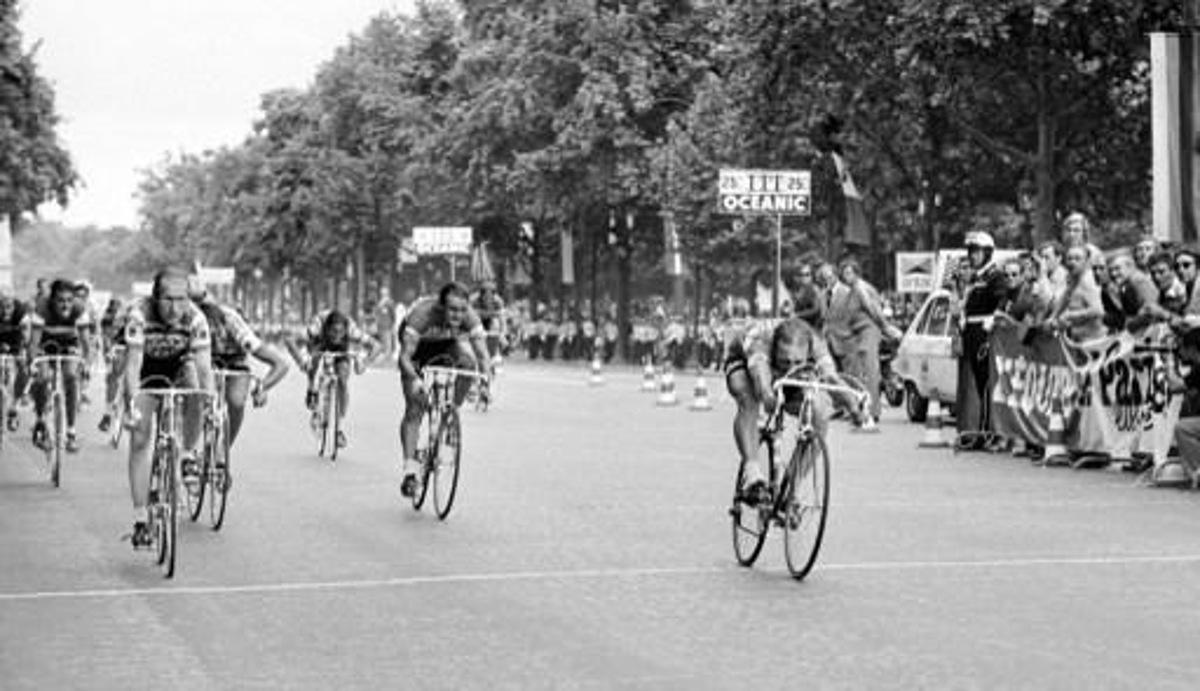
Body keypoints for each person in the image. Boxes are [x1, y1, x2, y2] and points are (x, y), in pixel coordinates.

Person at [725, 317, 864, 502]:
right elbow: (761, 376)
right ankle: (752, 473)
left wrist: (854, 408)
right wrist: (767, 395)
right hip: (745, 362)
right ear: (776, 349)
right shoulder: (762, 340)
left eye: (798, 361)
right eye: (785, 361)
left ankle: (791, 489)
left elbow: (831, 378)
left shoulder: (817, 343)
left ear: (808, 352)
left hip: (780, 371)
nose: (791, 367)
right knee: (748, 398)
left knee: (819, 414)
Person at [122, 269, 214, 548]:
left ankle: (186, 454)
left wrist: (209, 401)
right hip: (148, 372)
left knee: (196, 387)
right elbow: (133, 365)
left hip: (179, 367)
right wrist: (131, 406)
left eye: (182, 299)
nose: (175, 308)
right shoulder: (139, 315)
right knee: (139, 438)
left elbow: (204, 366)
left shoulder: (196, 318)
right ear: (155, 297)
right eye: (168, 300)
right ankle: (140, 520)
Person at [397, 282, 492, 497]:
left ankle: (449, 414)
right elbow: (404, 357)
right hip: (416, 350)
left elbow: (482, 354)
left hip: (445, 344)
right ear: (441, 308)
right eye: (452, 309)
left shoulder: (470, 317)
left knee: (467, 364)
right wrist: (414, 379)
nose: (458, 315)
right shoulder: (423, 315)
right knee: (415, 407)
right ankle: (410, 471)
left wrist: (486, 382)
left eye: (462, 309)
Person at [188, 275, 290, 449]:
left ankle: (223, 449)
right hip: (196, 362)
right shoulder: (177, 319)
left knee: (236, 401)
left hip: (232, 363)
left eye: (200, 304)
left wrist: (263, 386)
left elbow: (280, 363)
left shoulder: (230, 320)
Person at [826, 258, 900, 424]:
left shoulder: (860, 288)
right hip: (858, 334)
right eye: (844, 273)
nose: (846, 276)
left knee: (870, 371)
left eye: (849, 272)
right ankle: (863, 408)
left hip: (869, 331)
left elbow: (874, 310)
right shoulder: (851, 290)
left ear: (856, 273)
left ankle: (872, 411)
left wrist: (886, 327)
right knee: (861, 374)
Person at [956, 231, 1010, 449]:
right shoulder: (978, 277)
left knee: (987, 384)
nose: (972, 256)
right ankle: (982, 428)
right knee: (980, 384)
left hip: (984, 334)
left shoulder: (994, 276)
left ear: (988, 253)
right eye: (971, 251)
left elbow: (1003, 298)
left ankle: (989, 431)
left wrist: (993, 318)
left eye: (977, 251)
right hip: (971, 332)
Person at [295, 308, 377, 449]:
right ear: (327, 329)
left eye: (340, 332)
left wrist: (364, 362)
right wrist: (303, 359)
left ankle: (339, 429)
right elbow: (296, 341)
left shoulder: (352, 330)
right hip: (319, 344)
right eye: (333, 331)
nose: (337, 336)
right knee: (313, 361)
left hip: (341, 349)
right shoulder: (317, 326)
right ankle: (311, 388)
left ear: (346, 330)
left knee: (344, 381)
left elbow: (376, 346)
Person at [28, 279, 93, 453]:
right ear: (52, 300)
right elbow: (33, 342)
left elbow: (86, 344)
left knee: (71, 376)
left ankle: (71, 432)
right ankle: (40, 418)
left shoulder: (79, 308)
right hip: (45, 343)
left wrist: (87, 365)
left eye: (69, 300)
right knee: (43, 377)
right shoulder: (41, 307)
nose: (65, 305)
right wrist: (33, 364)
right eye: (60, 300)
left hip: (69, 343)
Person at [1046, 244, 1105, 342]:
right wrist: (1053, 316)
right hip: (1077, 337)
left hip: (1094, 340)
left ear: (1086, 262)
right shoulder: (1073, 277)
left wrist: (1070, 315)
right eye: (1069, 259)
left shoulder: (1088, 281)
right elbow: (1065, 297)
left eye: (1077, 259)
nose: (1072, 262)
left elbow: (1098, 310)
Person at [0, 291, 31, 432]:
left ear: (13, 305)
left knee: (22, 368)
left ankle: (14, 407)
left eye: (8, 307)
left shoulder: (20, 312)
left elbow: (27, 336)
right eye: (2, 307)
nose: (5, 310)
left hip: (15, 340)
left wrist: (25, 347)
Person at [790, 262, 826, 331]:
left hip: (812, 327)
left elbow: (815, 309)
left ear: (812, 276)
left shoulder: (814, 289)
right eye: (801, 275)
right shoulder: (799, 289)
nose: (804, 277)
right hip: (800, 325)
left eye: (807, 274)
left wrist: (798, 314)